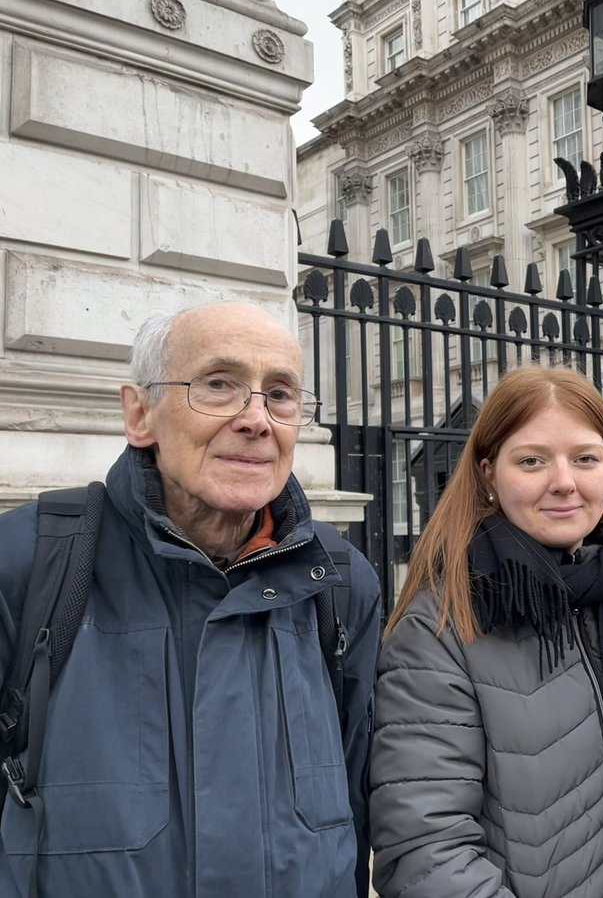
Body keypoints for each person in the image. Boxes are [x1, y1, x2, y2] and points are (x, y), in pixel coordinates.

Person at [0, 302, 381, 897]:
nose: (256, 419)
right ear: (140, 413)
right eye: (219, 384)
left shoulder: (341, 582)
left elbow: (358, 811)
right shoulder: (30, 560)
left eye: (279, 394)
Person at [369, 365, 603, 898]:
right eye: (531, 460)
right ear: (489, 474)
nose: (564, 482)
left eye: (585, 458)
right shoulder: (442, 626)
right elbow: (429, 851)